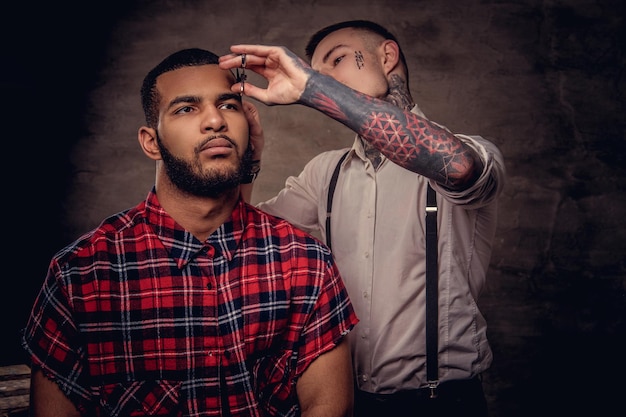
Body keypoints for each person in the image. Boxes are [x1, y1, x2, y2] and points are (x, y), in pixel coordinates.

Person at [21, 48, 359, 417]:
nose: (215, 121)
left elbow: (328, 405)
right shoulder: (81, 274)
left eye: (229, 105)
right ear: (151, 142)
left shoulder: (304, 261)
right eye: (186, 108)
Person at [219, 20, 505, 417]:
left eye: (337, 60)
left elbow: (456, 167)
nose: (326, 79)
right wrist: (249, 158)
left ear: (387, 57)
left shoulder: (470, 151)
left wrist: (315, 89)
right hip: (351, 403)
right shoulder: (326, 172)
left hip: (445, 403)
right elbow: (239, 233)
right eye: (320, 74)